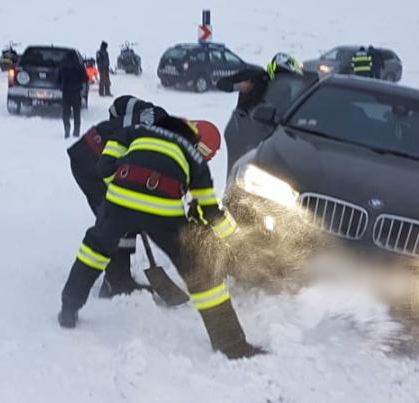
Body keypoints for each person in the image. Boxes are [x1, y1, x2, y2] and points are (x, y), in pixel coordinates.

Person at [57, 115, 264, 359]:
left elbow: (104, 165)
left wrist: (123, 184)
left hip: (119, 200)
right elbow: (210, 211)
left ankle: (68, 309)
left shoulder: (136, 131)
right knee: (199, 273)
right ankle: (231, 345)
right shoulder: (192, 156)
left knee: (94, 251)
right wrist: (237, 240)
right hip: (163, 210)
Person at [66, 95, 164, 296]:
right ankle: (115, 282)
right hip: (91, 160)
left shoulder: (157, 122)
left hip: (92, 156)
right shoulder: (158, 129)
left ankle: (118, 278)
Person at [217, 52, 313, 114]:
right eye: (280, 74)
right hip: (242, 122)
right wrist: (237, 86)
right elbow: (221, 83)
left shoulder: (287, 89)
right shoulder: (253, 75)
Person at [56, 52, 88, 139]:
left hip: (66, 93)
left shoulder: (62, 67)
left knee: (65, 113)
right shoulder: (79, 67)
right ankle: (76, 131)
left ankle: (67, 129)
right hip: (76, 93)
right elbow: (86, 78)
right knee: (77, 113)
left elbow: (58, 80)